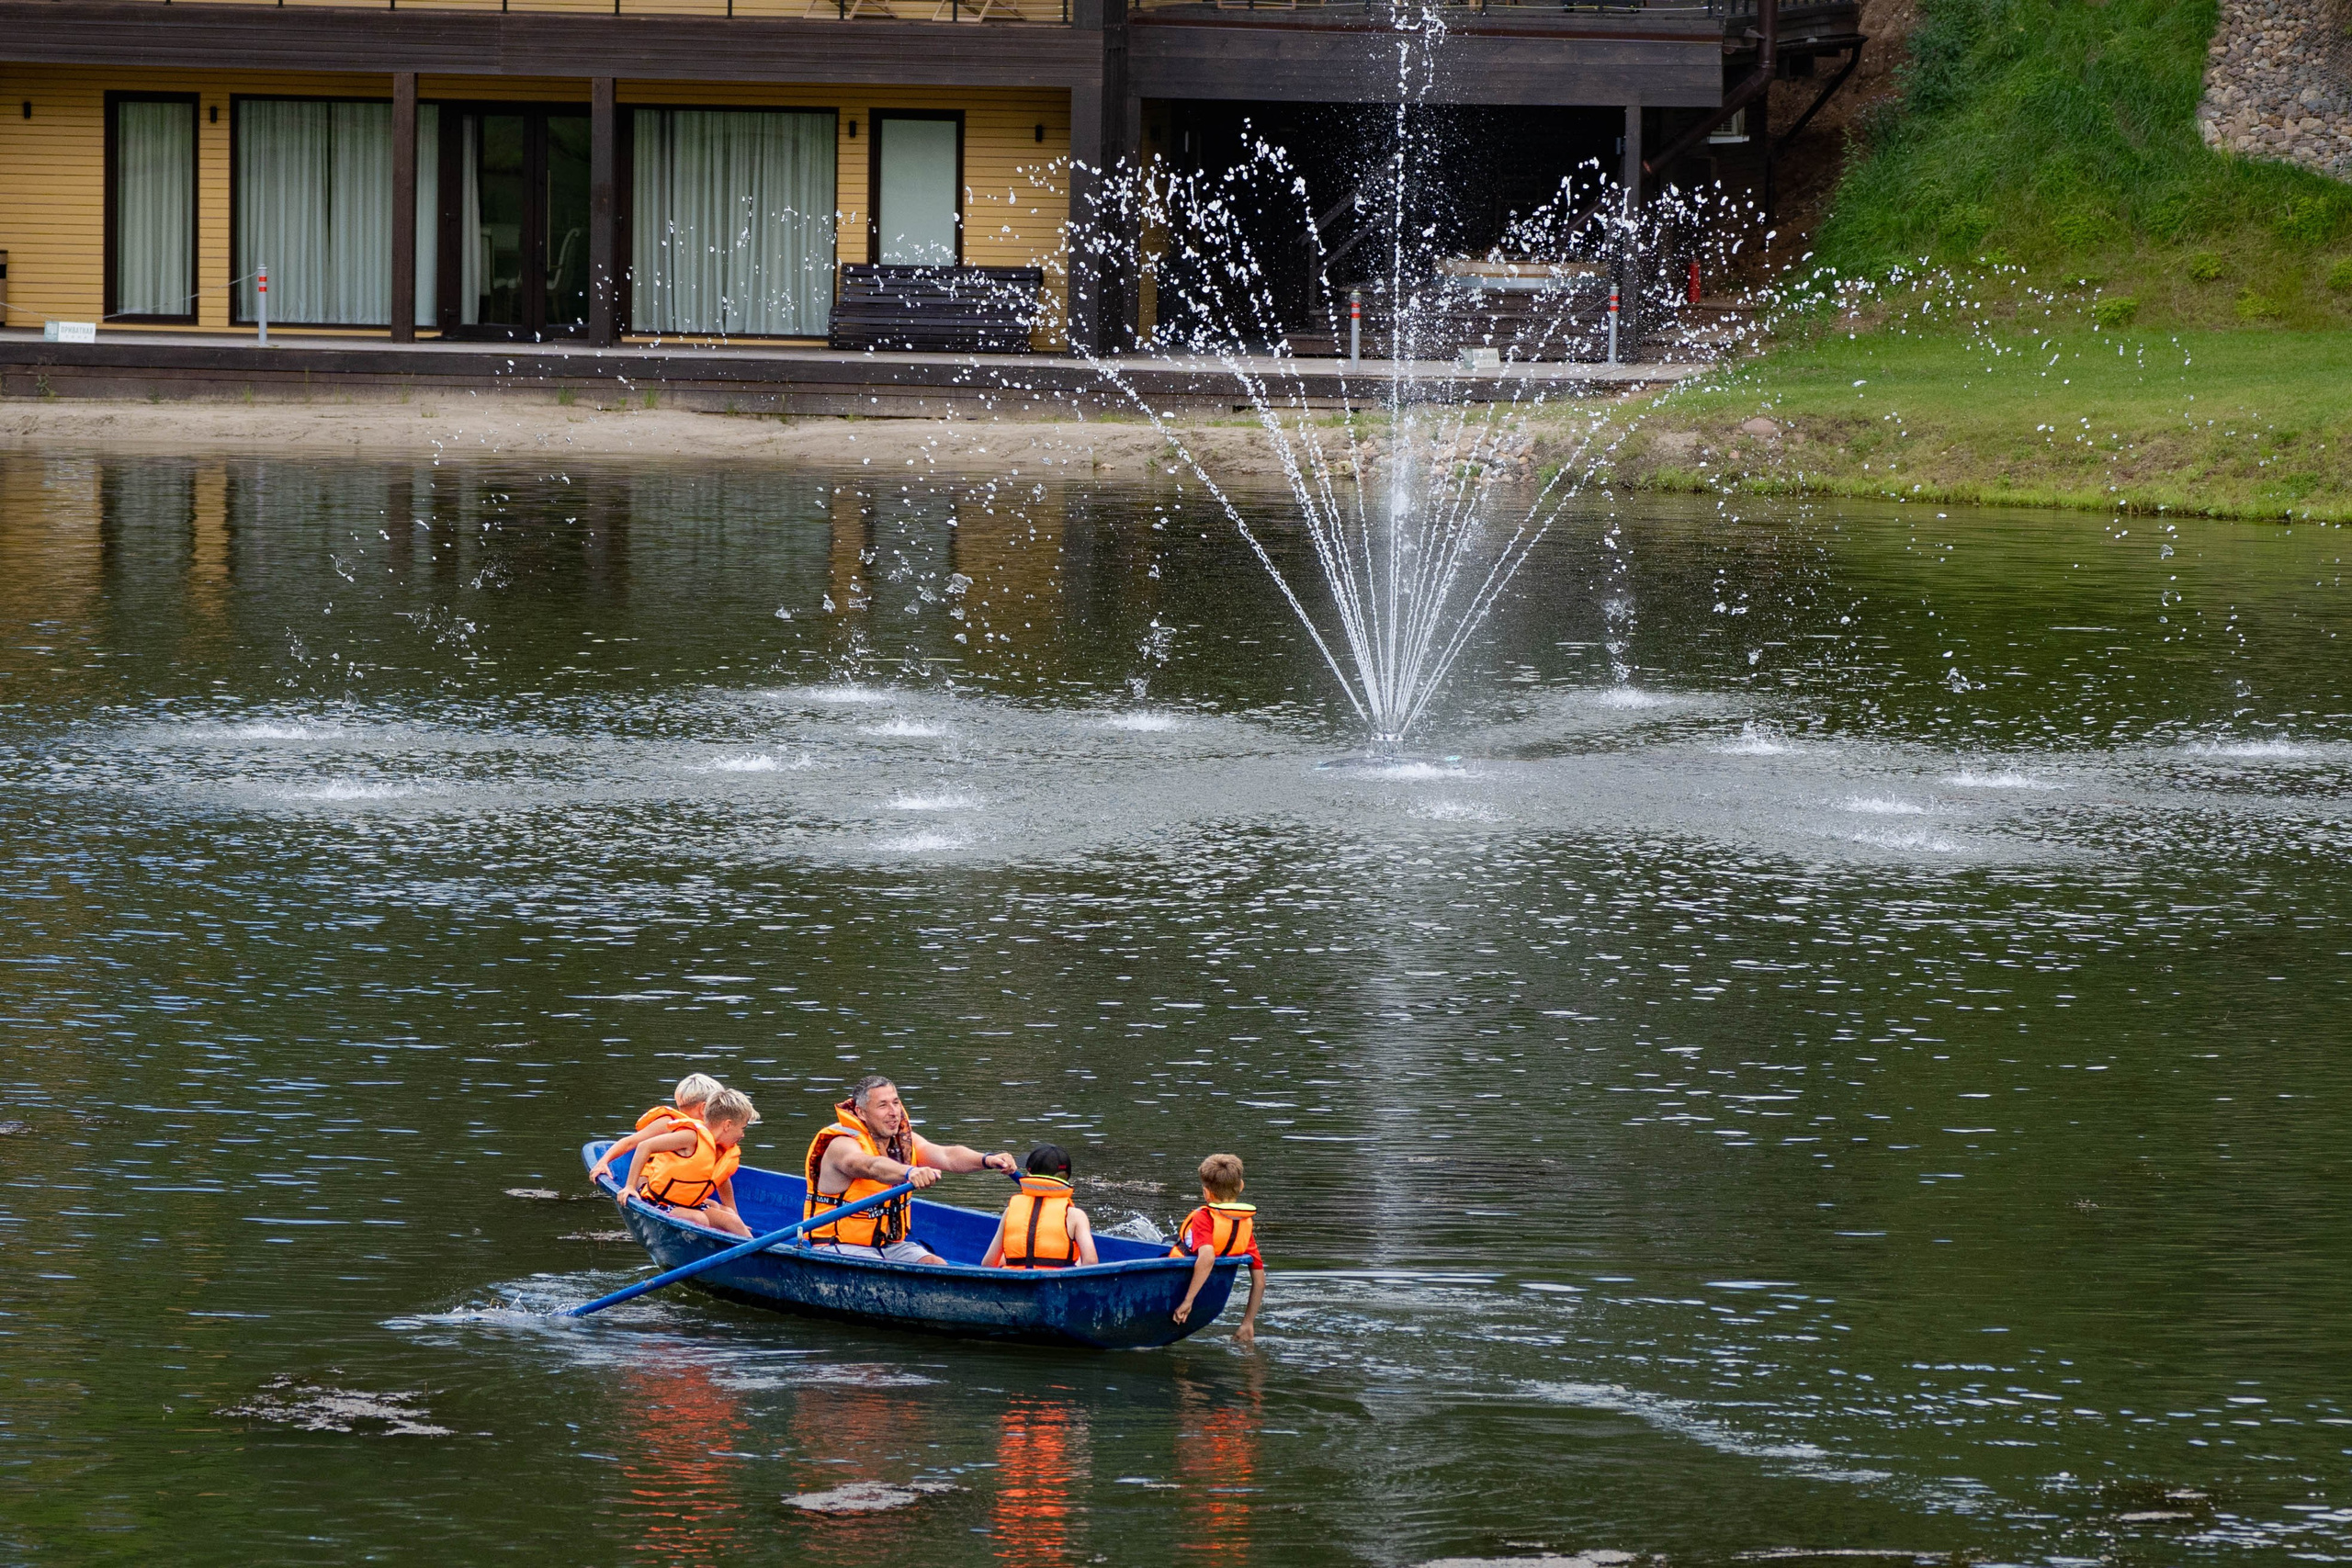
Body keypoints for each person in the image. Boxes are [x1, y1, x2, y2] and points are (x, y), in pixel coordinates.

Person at [803, 1074, 1015, 1265]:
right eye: (883, 1105)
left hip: (890, 1246)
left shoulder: (903, 1142)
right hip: (837, 1245)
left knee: (937, 1265)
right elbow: (870, 1165)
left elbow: (947, 1156)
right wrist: (909, 1172)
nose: (894, 1112)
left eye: (896, 1103)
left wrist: (987, 1159)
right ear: (861, 1112)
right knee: (883, 1271)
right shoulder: (842, 1145)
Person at [623, 1086, 759, 1237]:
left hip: (689, 1204)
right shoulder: (691, 1137)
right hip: (658, 1202)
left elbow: (722, 1178)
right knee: (698, 1219)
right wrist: (629, 1186)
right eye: (743, 1128)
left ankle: (757, 1255)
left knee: (733, 1221)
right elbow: (644, 1146)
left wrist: (733, 1212)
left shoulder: (720, 1149)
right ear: (727, 1125)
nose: (743, 1135)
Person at [1170, 1152, 1266, 1348]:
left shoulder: (1203, 1218)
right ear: (1241, 1186)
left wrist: (1188, 1301)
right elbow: (1260, 1279)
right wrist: (1248, 1323)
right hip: (1213, 1295)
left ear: (1206, 1192)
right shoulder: (1243, 1224)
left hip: (1179, 1288)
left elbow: (1207, 1258)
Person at [588, 1071, 724, 1189]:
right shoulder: (668, 1124)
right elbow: (630, 1142)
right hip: (651, 1186)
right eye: (718, 1109)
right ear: (703, 1108)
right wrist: (603, 1162)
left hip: (677, 1187)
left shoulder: (704, 1133)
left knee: (717, 1209)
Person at [982, 1144, 1101, 1269]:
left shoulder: (1010, 1211)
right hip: (1058, 1283)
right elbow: (1091, 1261)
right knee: (1078, 1258)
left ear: (1029, 1173)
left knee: (1008, 1257)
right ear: (1066, 1176)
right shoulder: (1075, 1215)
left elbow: (988, 1264)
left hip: (1016, 1283)